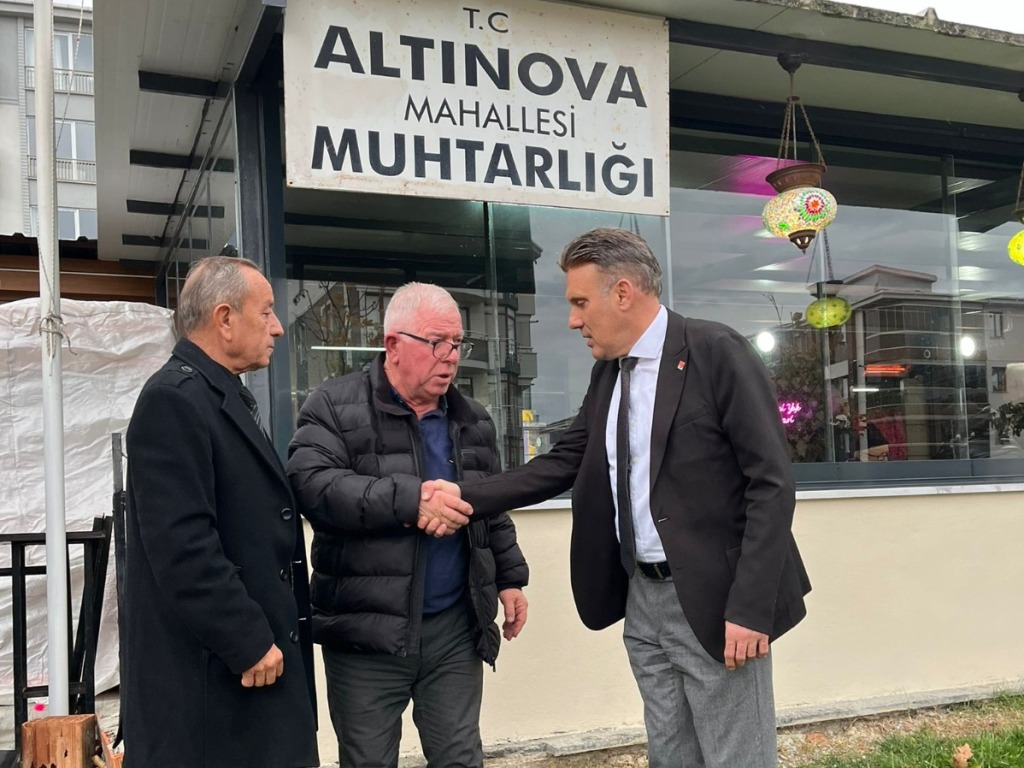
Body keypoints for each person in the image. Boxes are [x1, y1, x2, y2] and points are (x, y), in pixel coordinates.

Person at [431, 228, 811, 768]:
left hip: (717, 598)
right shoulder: (609, 373)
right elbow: (564, 461)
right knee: (670, 755)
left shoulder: (714, 351)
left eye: (581, 302)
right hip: (643, 599)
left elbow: (771, 483)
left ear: (624, 293)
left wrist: (751, 608)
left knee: (736, 760)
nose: (573, 320)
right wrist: (464, 495)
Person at [286, 282, 529, 768]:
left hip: (454, 628)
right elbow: (313, 486)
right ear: (393, 344)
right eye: (437, 342)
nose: (451, 357)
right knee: (369, 761)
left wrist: (510, 578)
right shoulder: (332, 406)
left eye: (457, 343)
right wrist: (410, 501)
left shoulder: (473, 420)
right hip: (366, 633)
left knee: (460, 756)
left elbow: (491, 507)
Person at [123, 256, 319, 768]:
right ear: (225, 319)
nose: (277, 327)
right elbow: (183, 548)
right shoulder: (173, 401)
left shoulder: (217, 394)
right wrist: (248, 639)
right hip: (216, 689)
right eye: (267, 311)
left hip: (247, 681)